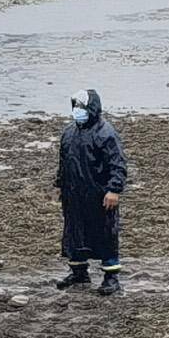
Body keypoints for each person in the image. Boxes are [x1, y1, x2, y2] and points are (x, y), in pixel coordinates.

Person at [55, 91, 129, 296]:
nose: (77, 110)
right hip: (74, 195)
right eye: (75, 106)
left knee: (105, 234)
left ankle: (111, 277)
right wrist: (60, 185)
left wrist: (114, 189)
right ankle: (79, 272)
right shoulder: (69, 132)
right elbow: (64, 163)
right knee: (74, 234)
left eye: (81, 106)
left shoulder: (106, 133)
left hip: (99, 195)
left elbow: (118, 164)